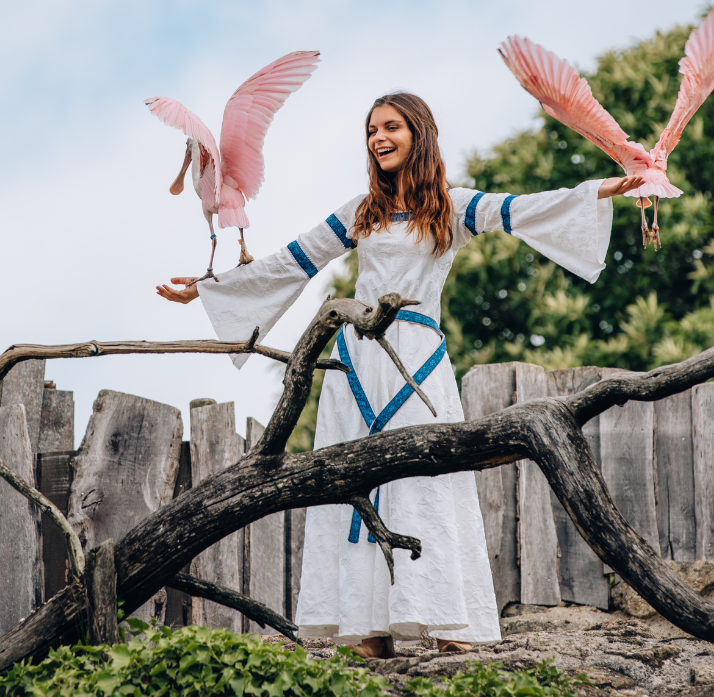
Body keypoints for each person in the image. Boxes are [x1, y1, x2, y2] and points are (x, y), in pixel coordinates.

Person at [157, 92, 642, 657]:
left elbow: (521, 208)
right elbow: (291, 261)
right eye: (371, 130)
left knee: (426, 481)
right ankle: (366, 629)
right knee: (348, 484)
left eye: (391, 127)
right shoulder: (359, 211)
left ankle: (446, 621)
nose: (378, 138)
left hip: (418, 359)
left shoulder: (453, 207)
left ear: (419, 133)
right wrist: (207, 288)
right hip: (355, 364)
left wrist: (602, 190)